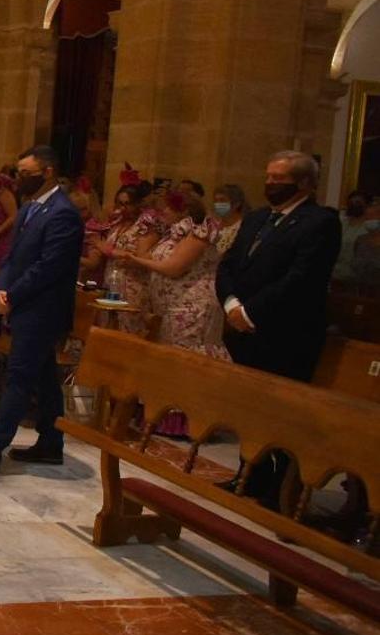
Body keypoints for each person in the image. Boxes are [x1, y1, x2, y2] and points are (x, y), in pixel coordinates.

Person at [215, 151, 341, 508]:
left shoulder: (320, 222)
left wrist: (250, 311)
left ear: (303, 183)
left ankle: (282, 487)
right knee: (248, 407)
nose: (269, 184)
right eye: (268, 177)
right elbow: (228, 266)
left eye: (279, 179)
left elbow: (301, 279)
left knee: (281, 411)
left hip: (286, 333)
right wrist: (231, 305)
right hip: (243, 328)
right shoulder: (257, 219)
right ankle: (250, 473)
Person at [0, 146, 82, 471]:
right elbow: (13, 256)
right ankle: (51, 443)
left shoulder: (63, 213)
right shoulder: (28, 209)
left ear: (48, 172)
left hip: (44, 309)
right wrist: (1, 287)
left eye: (27, 173)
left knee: (19, 375)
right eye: (19, 172)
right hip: (23, 302)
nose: (20, 178)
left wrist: (13, 295)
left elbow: (49, 266)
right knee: (43, 376)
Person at [113, 190, 228, 438]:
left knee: (187, 361)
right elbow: (150, 257)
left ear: (183, 210)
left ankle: (192, 422)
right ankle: (164, 418)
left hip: (193, 306)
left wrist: (134, 259)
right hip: (170, 305)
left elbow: (174, 268)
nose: (161, 213)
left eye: (165, 209)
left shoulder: (199, 232)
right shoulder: (171, 233)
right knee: (169, 359)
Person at [95, 175, 162, 334]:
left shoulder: (145, 227)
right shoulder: (117, 223)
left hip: (133, 285)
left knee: (128, 331)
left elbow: (142, 259)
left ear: (138, 204)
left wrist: (111, 251)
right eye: (120, 203)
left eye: (128, 204)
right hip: (111, 282)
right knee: (107, 329)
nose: (123, 208)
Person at [336, 190, 371, 284]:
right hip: (335, 272)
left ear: (366, 206)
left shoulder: (369, 228)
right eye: (351, 202)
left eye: (358, 202)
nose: (354, 205)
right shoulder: (341, 223)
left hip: (354, 277)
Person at [211, 184, 247, 255]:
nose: (218, 204)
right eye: (216, 200)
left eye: (222, 200)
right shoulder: (213, 223)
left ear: (237, 204)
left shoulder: (243, 227)